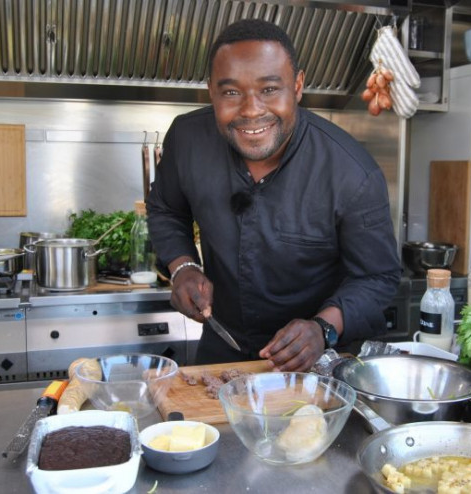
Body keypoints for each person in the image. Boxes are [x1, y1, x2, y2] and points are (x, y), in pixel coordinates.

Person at [146, 19, 400, 371]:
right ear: (211, 91)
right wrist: (183, 267)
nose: (251, 110)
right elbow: (166, 209)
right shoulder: (187, 139)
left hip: (315, 360)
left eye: (269, 89)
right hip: (223, 349)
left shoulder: (352, 172)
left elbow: (378, 278)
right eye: (231, 92)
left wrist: (323, 328)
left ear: (297, 86)